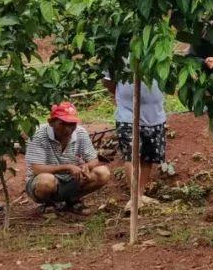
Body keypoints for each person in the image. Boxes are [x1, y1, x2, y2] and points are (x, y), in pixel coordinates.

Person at [24, 102, 111, 212]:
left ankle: (73, 199)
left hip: (71, 178)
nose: (68, 128)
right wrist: (68, 167)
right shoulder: (38, 134)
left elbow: (93, 159)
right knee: (46, 181)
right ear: (51, 122)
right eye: (62, 124)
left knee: (103, 173)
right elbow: (37, 169)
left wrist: (86, 166)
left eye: (72, 124)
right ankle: (48, 203)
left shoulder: (80, 132)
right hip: (40, 181)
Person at [102, 71, 166, 209]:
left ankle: (140, 194)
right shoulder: (119, 52)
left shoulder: (162, 54)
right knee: (131, 155)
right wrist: (123, 96)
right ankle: (134, 197)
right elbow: (108, 81)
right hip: (127, 114)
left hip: (155, 115)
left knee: (148, 157)